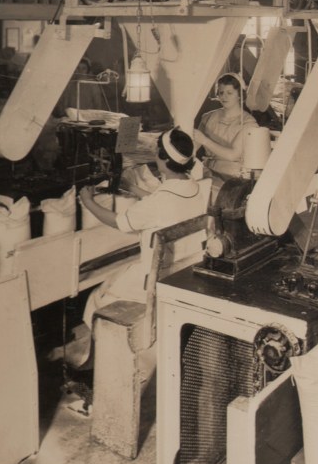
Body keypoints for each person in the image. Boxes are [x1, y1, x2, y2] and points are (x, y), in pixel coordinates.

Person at [78, 127, 209, 339]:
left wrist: (88, 201)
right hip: (184, 271)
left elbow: (119, 222)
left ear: (163, 159)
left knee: (97, 296)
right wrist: (133, 188)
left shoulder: (159, 201)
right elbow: (163, 201)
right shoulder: (192, 187)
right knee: (122, 274)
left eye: (157, 151)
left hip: (155, 280)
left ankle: (103, 355)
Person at [192, 72, 258, 196]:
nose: (224, 97)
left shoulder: (248, 123)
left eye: (229, 93)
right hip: (207, 171)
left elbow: (233, 155)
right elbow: (193, 148)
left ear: (240, 95)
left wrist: (205, 140)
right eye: (221, 93)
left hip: (232, 178)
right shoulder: (208, 117)